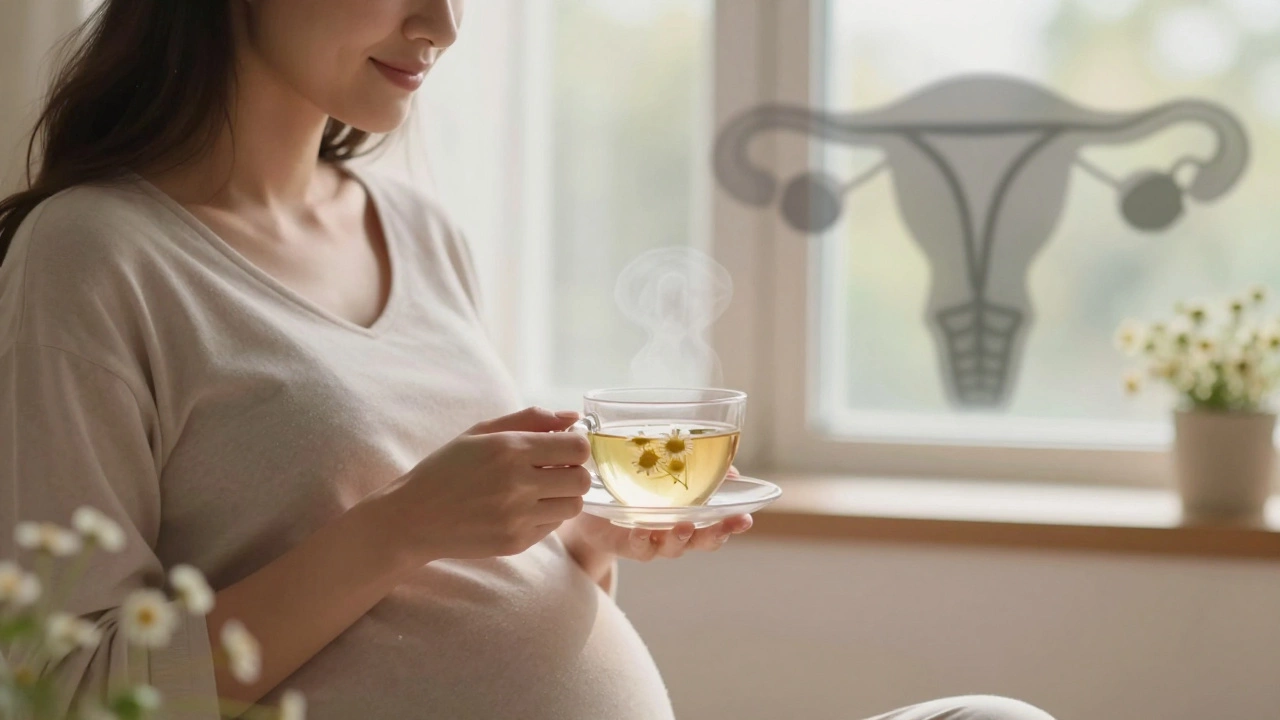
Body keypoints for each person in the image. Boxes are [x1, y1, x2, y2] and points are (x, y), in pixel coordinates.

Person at [0, 2, 1055, 719]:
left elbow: (459, 603)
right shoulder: (93, 256)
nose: (446, 23)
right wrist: (402, 525)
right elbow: (64, 688)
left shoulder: (413, 228)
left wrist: (582, 542)